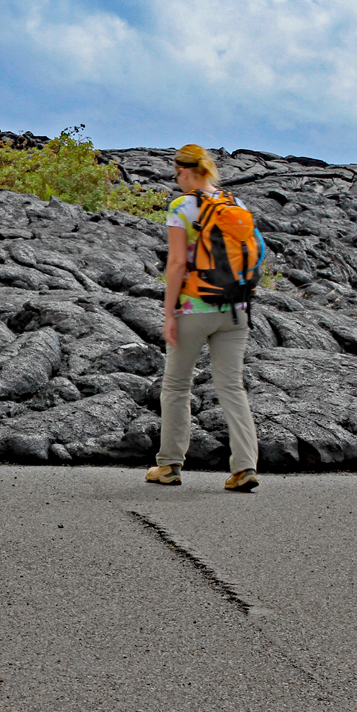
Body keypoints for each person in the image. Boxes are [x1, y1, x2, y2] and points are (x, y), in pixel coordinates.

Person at [145, 144, 260, 492]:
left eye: (176, 172)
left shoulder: (182, 207)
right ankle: (245, 468)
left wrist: (168, 312)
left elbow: (178, 263)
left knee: (177, 386)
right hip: (236, 309)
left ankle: (169, 466)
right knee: (232, 388)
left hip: (195, 308)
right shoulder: (236, 205)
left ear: (184, 171)